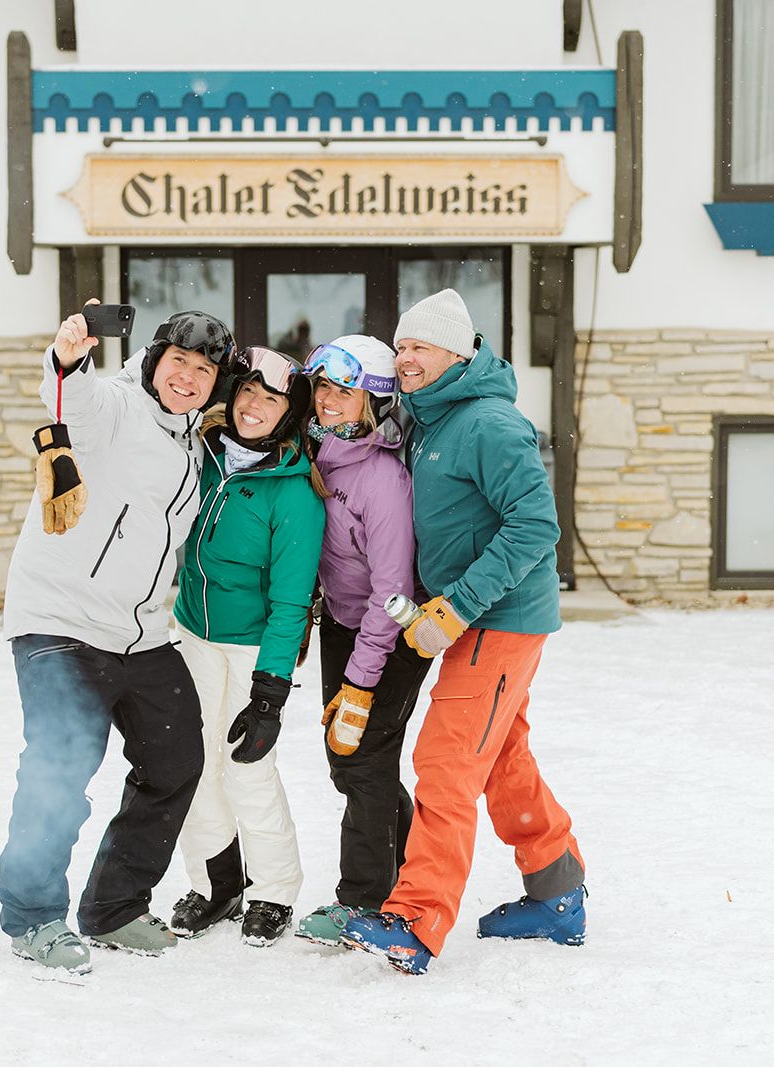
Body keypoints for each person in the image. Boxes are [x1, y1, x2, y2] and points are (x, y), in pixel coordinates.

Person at [342, 289, 587, 975]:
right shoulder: (427, 420)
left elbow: (537, 527)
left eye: (419, 346)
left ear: (456, 351)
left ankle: (414, 923)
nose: (406, 358)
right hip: (470, 617)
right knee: (502, 758)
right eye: (401, 347)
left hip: (498, 619)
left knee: (446, 763)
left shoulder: (488, 424)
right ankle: (557, 889)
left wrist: (457, 605)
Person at [0, 302, 234, 977]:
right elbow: (74, 399)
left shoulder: (195, 445)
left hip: (140, 633)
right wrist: (69, 357)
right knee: (60, 766)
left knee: (176, 757)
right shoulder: (120, 408)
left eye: (203, 369)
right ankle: (33, 915)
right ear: (156, 361)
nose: (188, 376)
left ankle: (114, 906)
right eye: (179, 361)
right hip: (61, 620)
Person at [168, 346, 327, 947]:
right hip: (190, 633)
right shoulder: (204, 456)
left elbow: (292, 601)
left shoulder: (294, 491)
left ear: (289, 413)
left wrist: (270, 693)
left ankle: (274, 889)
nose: (254, 407)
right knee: (192, 762)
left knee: (247, 768)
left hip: (251, 647)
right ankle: (216, 883)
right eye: (248, 393)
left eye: (271, 398)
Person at [289, 335, 434, 947]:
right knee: (348, 762)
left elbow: (393, 591)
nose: (327, 400)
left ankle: (364, 900)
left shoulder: (383, 479)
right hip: (344, 626)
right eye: (322, 387)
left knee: (364, 762)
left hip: (391, 635)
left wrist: (360, 679)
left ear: (371, 400)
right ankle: (407, 868)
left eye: (343, 391)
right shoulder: (318, 455)